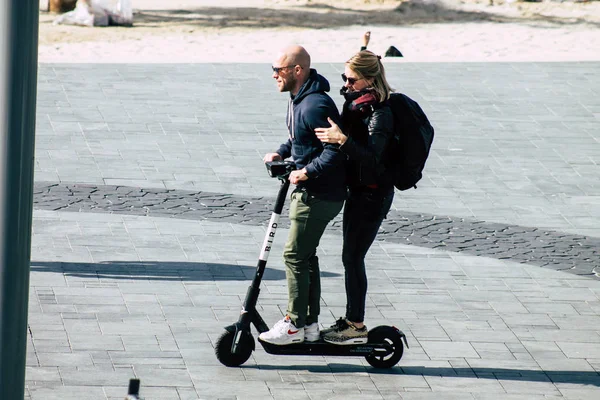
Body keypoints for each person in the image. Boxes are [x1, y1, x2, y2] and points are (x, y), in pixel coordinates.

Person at [259, 45, 346, 345]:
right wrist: (282, 153)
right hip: (316, 191)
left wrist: (306, 172)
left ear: (298, 70)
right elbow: (301, 138)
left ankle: (294, 325)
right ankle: (309, 324)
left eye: (278, 69)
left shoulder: (315, 105)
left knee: (294, 256)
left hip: (319, 194)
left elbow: (335, 149)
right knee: (306, 257)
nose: (274, 75)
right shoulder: (300, 100)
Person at [314, 50, 396, 345]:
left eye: (351, 79)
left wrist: (343, 140)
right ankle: (352, 321)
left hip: (373, 196)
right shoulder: (360, 106)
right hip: (360, 192)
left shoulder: (381, 114)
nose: (346, 85)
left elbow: (372, 159)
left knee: (352, 257)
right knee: (351, 256)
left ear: (370, 80)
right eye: (343, 78)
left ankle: (356, 326)